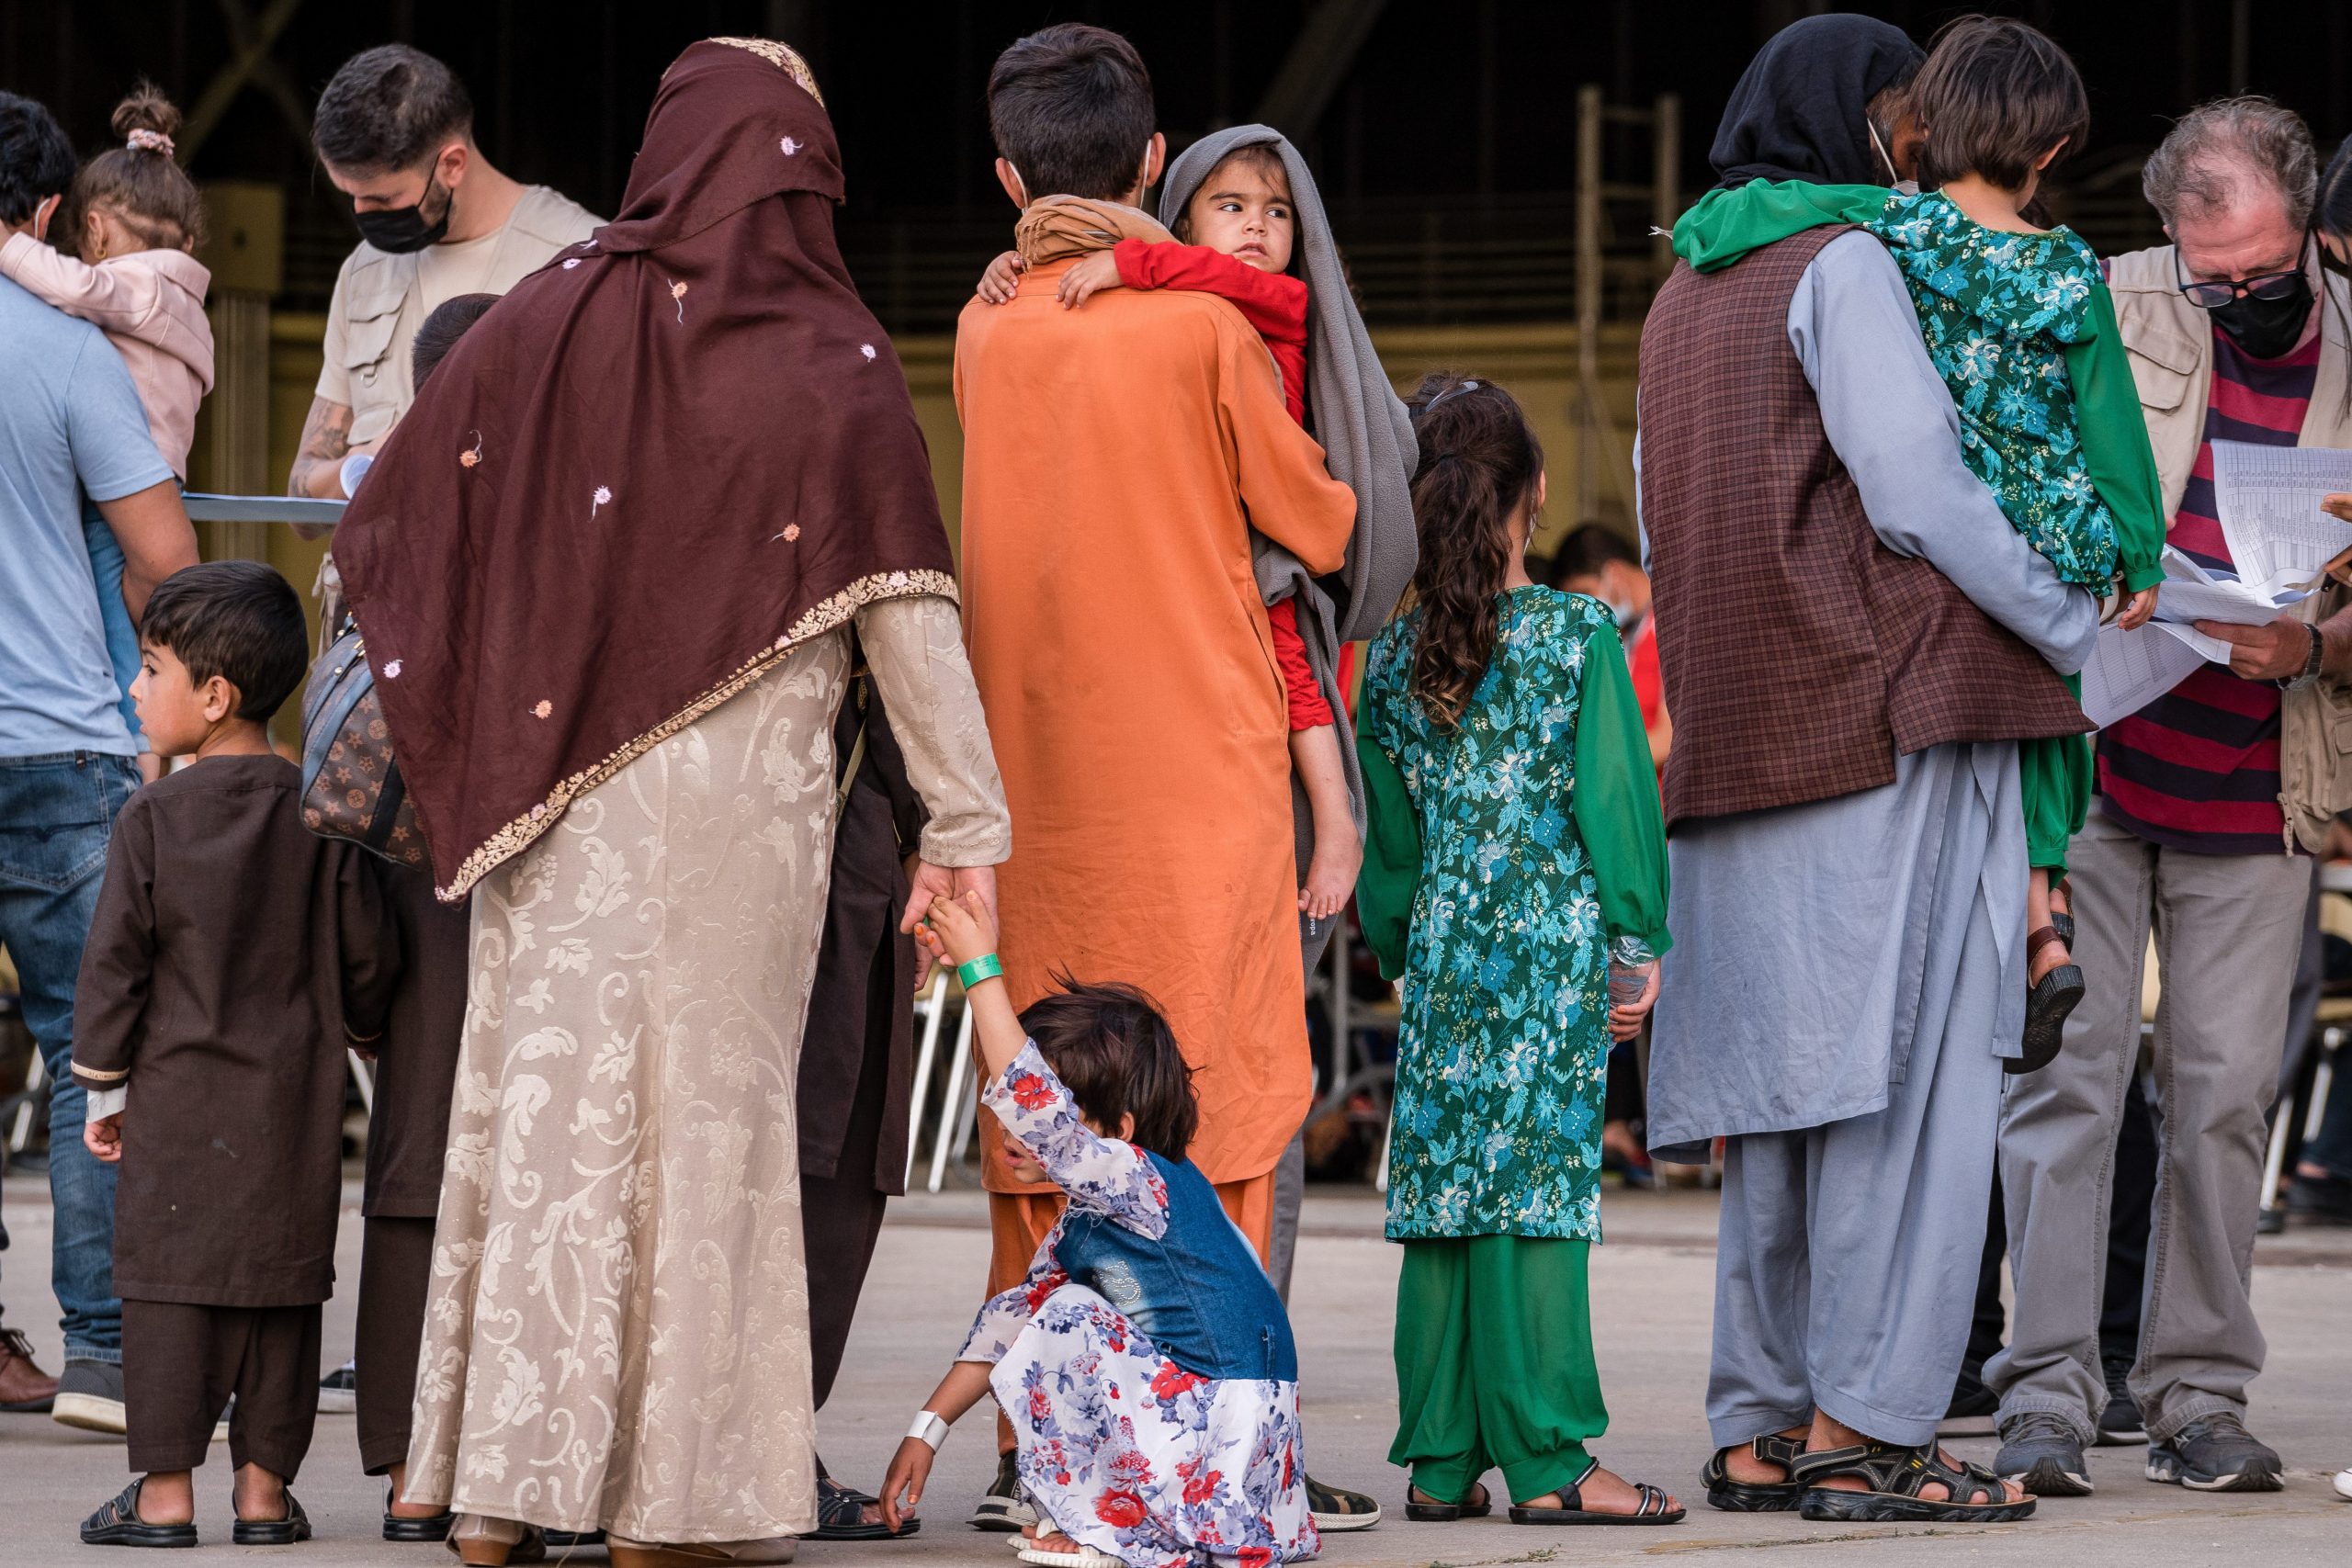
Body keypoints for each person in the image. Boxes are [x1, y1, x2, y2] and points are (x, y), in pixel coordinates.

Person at [334, 39, 1011, 1567]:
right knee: (705, 1138)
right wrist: (967, 828)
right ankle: (670, 1511)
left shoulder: (546, 318)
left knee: (551, 1134)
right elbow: (909, 612)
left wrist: (481, 716)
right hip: (735, 822)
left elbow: (387, 522)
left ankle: (505, 1497)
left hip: (546, 805)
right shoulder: (829, 359)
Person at [1641, 12, 2097, 1526]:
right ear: (1860, 122)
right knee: (1909, 1096)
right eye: (1904, 112)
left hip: (1734, 742)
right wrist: (2063, 617)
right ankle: (1869, 1428)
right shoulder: (1846, 264)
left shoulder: (1680, 290)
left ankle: (1762, 1425)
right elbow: (1915, 486)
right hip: (1869, 730)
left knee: (1782, 1106)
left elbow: (1664, 539)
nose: (1918, 141)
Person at [954, 24, 1378, 1535]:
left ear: (1009, 177)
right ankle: (1213, 1417)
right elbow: (1320, 524)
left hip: (1037, 790)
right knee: (1223, 1100)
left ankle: (1037, 1437)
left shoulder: (982, 324)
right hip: (1198, 789)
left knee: (1047, 1089)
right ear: (1152, 165)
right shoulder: (1201, 335)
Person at [1669, 17, 2166, 1071]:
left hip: (1758, 675)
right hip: (1972, 597)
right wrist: (2117, 570)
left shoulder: (1825, 247)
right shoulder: (2006, 263)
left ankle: (2038, 924)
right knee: (2052, 727)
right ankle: (2044, 913)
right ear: (2050, 150)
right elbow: (2040, 446)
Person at [1988, 96, 2352, 1497]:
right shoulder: (2100, 300)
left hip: (2262, 777)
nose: (2238, 300)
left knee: (2223, 1100)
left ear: (2312, 228)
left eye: (2265, 276)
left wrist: (2311, 643)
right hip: (2093, 758)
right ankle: (2046, 1393)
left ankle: (2199, 1389)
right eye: (2211, 279)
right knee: (2065, 1087)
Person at [1355, 376, 1679, 1527]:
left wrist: (1406, 943)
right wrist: (1635, 942)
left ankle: (1441, 1461)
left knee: (1444, 1196)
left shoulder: (1388, 662)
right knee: (1537, 1195)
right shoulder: (1574, 632)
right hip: (1549, 955)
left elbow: (1385, 854)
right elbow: (1615, 802)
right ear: (1531, 497)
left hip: (1444, 956)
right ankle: (1550, 1462)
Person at [973, 132, 1412, 932]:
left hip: (1263, 540)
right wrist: (1009, 268)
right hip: (1211, 537)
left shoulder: (1270, 298)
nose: (1256, 228)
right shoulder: (1183, 311)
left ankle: (1336, 820)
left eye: (1277, 212)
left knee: (1295, 672)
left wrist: (1133, 262)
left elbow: (1202, 273)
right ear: (1179, 212)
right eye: (1232, 207)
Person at [70, 560, 397, 1550]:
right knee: (283, 1289)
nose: (135, 687)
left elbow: (113, 969)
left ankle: (164, 1496)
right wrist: (370, 1032)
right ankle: (263, 1491)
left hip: (175, 1106)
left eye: (150, 669)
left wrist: (100, 1092)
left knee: (167, 1289)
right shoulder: (321, 813)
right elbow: (367, 960)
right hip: (292, 1108)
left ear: (212, 698)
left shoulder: (153, 817)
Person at [881, 893, 1319, 1568]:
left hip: (1225, 1425)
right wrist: (926, 1431)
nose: (1016, 1127)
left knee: (1067, 1316)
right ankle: (1126, 1518)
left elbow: (1042, 1123)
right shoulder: (1088, 1219)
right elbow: (1003, 1325)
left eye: (1058, 1107)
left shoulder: (1142, 1180)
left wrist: (978, 970)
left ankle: (1110, 1527)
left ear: (1118, 1133)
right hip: (1230, 1433)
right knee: (1043, 1309)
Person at [0, 87, 198, 1438]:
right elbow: (169, 562)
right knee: (89, 1058)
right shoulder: (66, 352)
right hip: (60, 745)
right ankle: (103, 1356)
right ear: (49, 212)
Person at [334, 291, 498, 1547]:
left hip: (401, 863)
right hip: (507, 856)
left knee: (415, 1152)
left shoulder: (376, 512)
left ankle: (405, 1461)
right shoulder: (545, 503)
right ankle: (485, 1447)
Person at [288, 42, 600, 647]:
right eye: (349, 195)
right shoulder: (362, 272)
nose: (360, 214)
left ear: (452, 163)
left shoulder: (581, 260)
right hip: (369, 646)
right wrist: (364, 465)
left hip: (518, 641)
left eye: (380, 199)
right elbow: (302, 504)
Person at [0, 82, 212, 789]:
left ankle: (149, 737)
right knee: (129, 623)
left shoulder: (129, 296)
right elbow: (164, 561)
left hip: (119, 479)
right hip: (53, 742)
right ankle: (149, 745)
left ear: (91, 229)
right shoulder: (160, 311)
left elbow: (84, 288)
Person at [797, 671, 932, 1542]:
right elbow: (909, 702)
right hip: (825, 885)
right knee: (823, 1174)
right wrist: (937, 841)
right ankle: (770, 1453)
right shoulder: (855, 542)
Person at [1547, 525, 1667, 771]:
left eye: (1584, 594)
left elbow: (1671, 738)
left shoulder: (1669, 625)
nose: (1580, 610)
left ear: (1614, 573)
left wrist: (1597, 769)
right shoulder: (1620, 635)